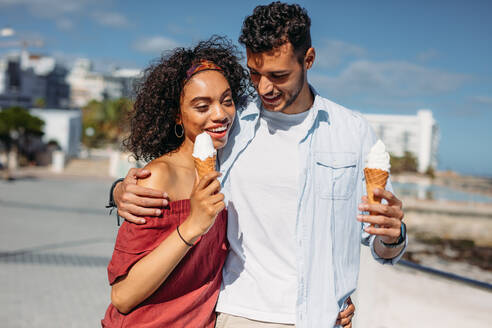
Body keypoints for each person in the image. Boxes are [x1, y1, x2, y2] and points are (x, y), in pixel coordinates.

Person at [110, 2, 405, 327]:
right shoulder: (233, 123)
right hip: (241, 315)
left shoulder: (353, 131)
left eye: (278, 76)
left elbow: (381, 243)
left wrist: (392, 237)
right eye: (254, 73)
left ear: (308, 59)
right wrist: (120, 190)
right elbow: (178, 163)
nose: (264, 88)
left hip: (323, 318)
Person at [101, 36, 251, 327]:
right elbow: (123, 295)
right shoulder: (158, 177)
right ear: (177, 116)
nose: (220, 114)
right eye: (202, 106)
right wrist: (193, 224)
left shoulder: (229, 165)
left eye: (227, 101)